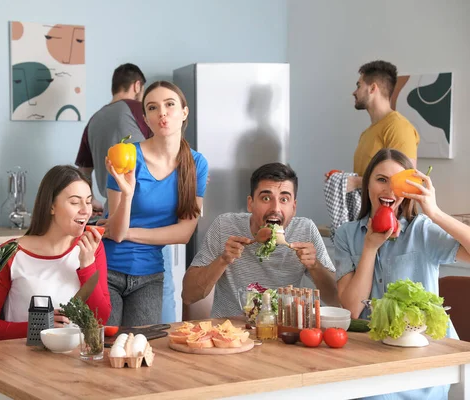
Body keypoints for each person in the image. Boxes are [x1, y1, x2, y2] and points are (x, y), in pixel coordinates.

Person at [334, 148, 470, 400]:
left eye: (397, 182)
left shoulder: (423, 231)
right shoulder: (347, 234)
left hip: (423, 362)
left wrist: (435, 212)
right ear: (367, 185)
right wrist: (370, 247)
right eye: (381, 179)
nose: (388, 190)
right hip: (368, 359)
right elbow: (352, 308)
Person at [104, 81, 208, 327]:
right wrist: (127, 197)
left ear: (184, 112)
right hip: (107, 269)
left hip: (150, 274)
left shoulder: (196, 164)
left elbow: (184, 233)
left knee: (140, 350)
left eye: (169, 104)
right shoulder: (124, 155)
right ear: (146, 119)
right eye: (152, 108)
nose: (162, 113)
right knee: (104, 349)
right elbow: (116, 234)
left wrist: (128, 232)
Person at [182, 163, 340, 318]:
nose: (275, 208)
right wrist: (223, 260)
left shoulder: (305, 230)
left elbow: (336, 300)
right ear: (250, 204)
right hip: (231, 333)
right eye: (266, 198)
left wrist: (315, 266)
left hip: (282, 334)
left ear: (294, 207)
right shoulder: (225, 226)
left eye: (284, 199)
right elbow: (189, 295)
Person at [0, 165, 111, 341]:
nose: (85, 210)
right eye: (75, 202)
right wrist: (37, 327)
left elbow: (101, 320)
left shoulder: (92, 248)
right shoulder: (8, 253)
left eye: (88, 201)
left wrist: (87, 265)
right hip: (20, 361)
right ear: (51, 206)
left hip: (75, 361)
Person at [75, 63, 151, 213]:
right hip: (142, 207)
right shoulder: (139, 109)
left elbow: (84, 170)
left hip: (111, 209)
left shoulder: (94, 120)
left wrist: (91, 200)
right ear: (137, 86)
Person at [350, 60, 420, 188]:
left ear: (372, 88)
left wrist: (356, 183)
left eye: (359, 86)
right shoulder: (366, 133)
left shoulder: (399, 127)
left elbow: (407, 180)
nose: (354, 92)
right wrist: (344, 180)